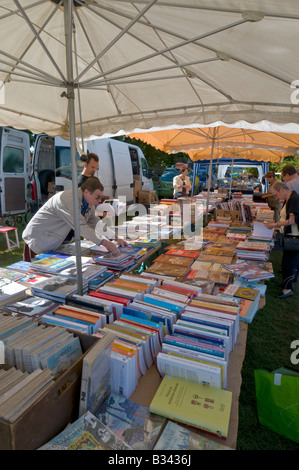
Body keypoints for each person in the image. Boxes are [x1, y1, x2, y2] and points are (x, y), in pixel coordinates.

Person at [22, 176, 125, 261]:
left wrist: (115, 237)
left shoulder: (89, 203)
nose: (99, 201)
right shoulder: (67, 199)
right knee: (36, 276)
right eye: (97, 197)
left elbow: (96, 223)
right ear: (86, 192)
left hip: (53, 242)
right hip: (38, 240)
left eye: (100, 197)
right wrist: (105, 243)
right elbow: (81, 227)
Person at [266, 181, 299, 299]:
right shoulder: (290, 198)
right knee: (287, 262)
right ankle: (287, 284)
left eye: (276, 195)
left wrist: (276, 224)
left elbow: (292, 220)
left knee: (289, 263)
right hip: (290, 235)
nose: (277, 198)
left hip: (294, 237)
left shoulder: (294, 199)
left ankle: (287, 289)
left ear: (282, 190)